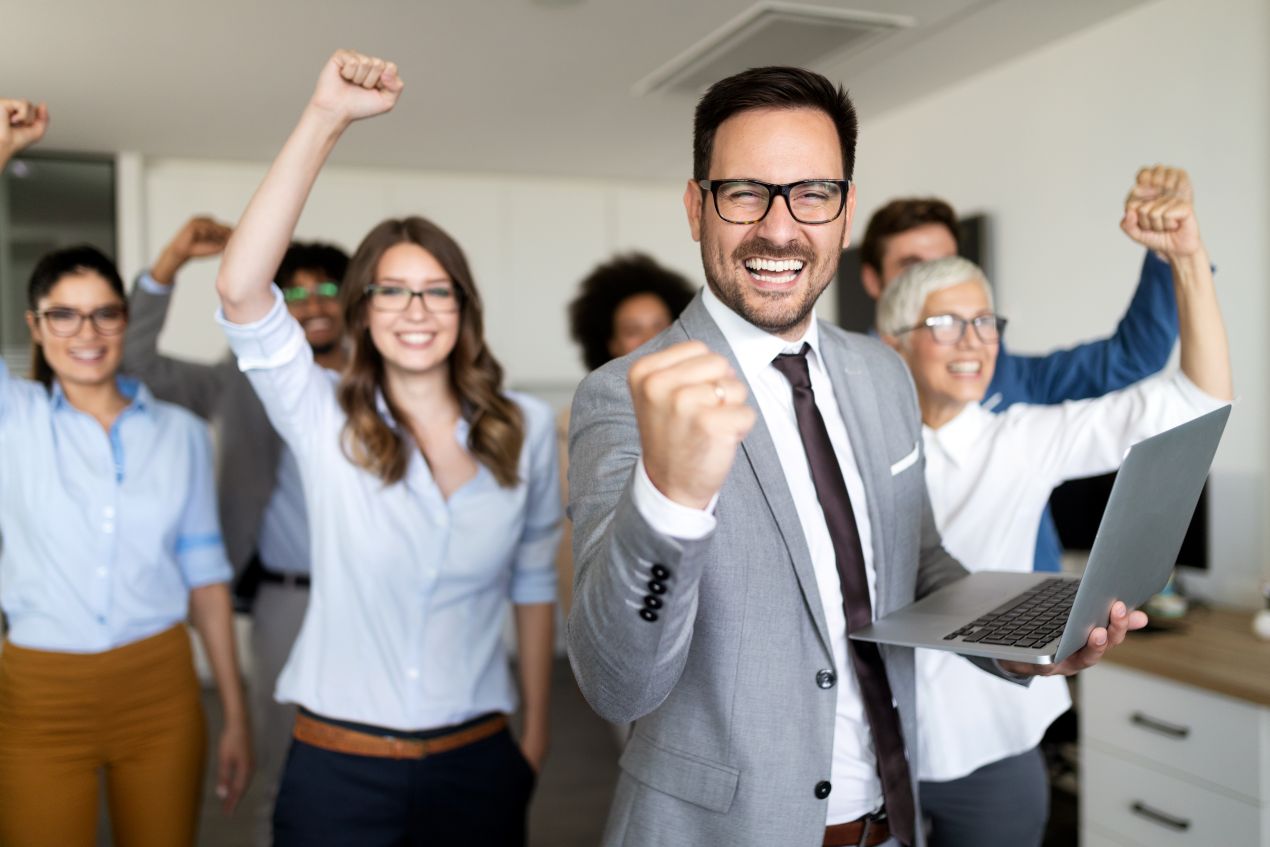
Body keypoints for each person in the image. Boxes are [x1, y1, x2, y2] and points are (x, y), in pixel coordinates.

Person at [566, 66, 1145, 847]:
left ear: (845, 213)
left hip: (890, 822)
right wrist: (669, 500)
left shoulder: (881, 373)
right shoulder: (624, 395)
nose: (779, 228)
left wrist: (1023, 640)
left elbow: (920, 560)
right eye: (744, 192)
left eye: (812, 193)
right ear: (696, 206)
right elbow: (615, 681)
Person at [213, 51, 559, 846]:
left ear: (463, 307)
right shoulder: (323, 414)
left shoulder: (526, 427)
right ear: (362, 309)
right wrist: (325, 117)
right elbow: (240, 289)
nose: (416, 309)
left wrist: (535, 731)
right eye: (392, 289)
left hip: (479, 758)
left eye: (437, 289)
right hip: (339, 766)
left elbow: (535, 583)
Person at [875, 166, 1230, 847]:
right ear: (894, 338)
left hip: (995, 740)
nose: (973, 340)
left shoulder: (1024, 434)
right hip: (874, 746)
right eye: (947, 323)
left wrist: (1184, 256)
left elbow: (1197, 400)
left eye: (985, 322)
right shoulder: (854, 443)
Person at [0, 99, 251, 846]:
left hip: (161, 685)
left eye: (106, 313)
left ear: (123, 321)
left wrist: (233, 712)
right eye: (65, 316)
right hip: (36, 690)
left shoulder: (176, 431)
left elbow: (204, 575)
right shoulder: (14, 420)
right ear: (36, 329)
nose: (88, 333)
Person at [122, 221, 350, 845]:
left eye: (328, 286)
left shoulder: (390, 380)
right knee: (285, 759)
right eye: (294, 292)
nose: (314, 303)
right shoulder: (241, 379)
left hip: (383, 597)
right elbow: (133, 362)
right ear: (273, 305)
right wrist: (168, 264)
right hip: (287, 598)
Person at [859, 190, 1181, 573]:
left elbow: (1133, 357)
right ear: (873, 280)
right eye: (913, 267)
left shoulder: (1009, 374)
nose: (937, 279)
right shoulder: (844, 387)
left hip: (1026, 604)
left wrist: (1173, 254)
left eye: (947, 264)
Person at [559, 253, 696, 617]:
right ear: (611, 344)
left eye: (660, 326)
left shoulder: (706, 412)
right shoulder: (576, 422)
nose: (651, 340)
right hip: (610, 601)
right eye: (634, 329)